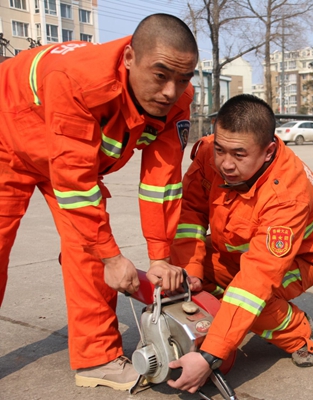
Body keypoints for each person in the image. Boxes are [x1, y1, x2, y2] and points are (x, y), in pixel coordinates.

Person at [0, 14, 196, 390]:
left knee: (89, 247)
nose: (170, 92)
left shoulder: (177, 100)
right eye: (160, 75)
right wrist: (112, 257)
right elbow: (74, 184)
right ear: (129, 59)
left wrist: (160, 257)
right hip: (8, 131)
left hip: (67, 153)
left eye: (183, 79)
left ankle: (97, 357)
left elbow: (162, 183)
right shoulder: (78, 79)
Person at [146, 94, 313, 393]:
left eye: (239, 154)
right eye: (220, 150)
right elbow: (191, 213)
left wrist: (212, 354)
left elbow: (257, 277)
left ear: (268, 151)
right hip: (233, 254)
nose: (225, 164)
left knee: (253, 303)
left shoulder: (287, 194)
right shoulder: (208, 152)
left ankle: (298, 331)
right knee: (182, 276)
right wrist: (190, 271)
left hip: (296, 262)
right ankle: (223, 317)